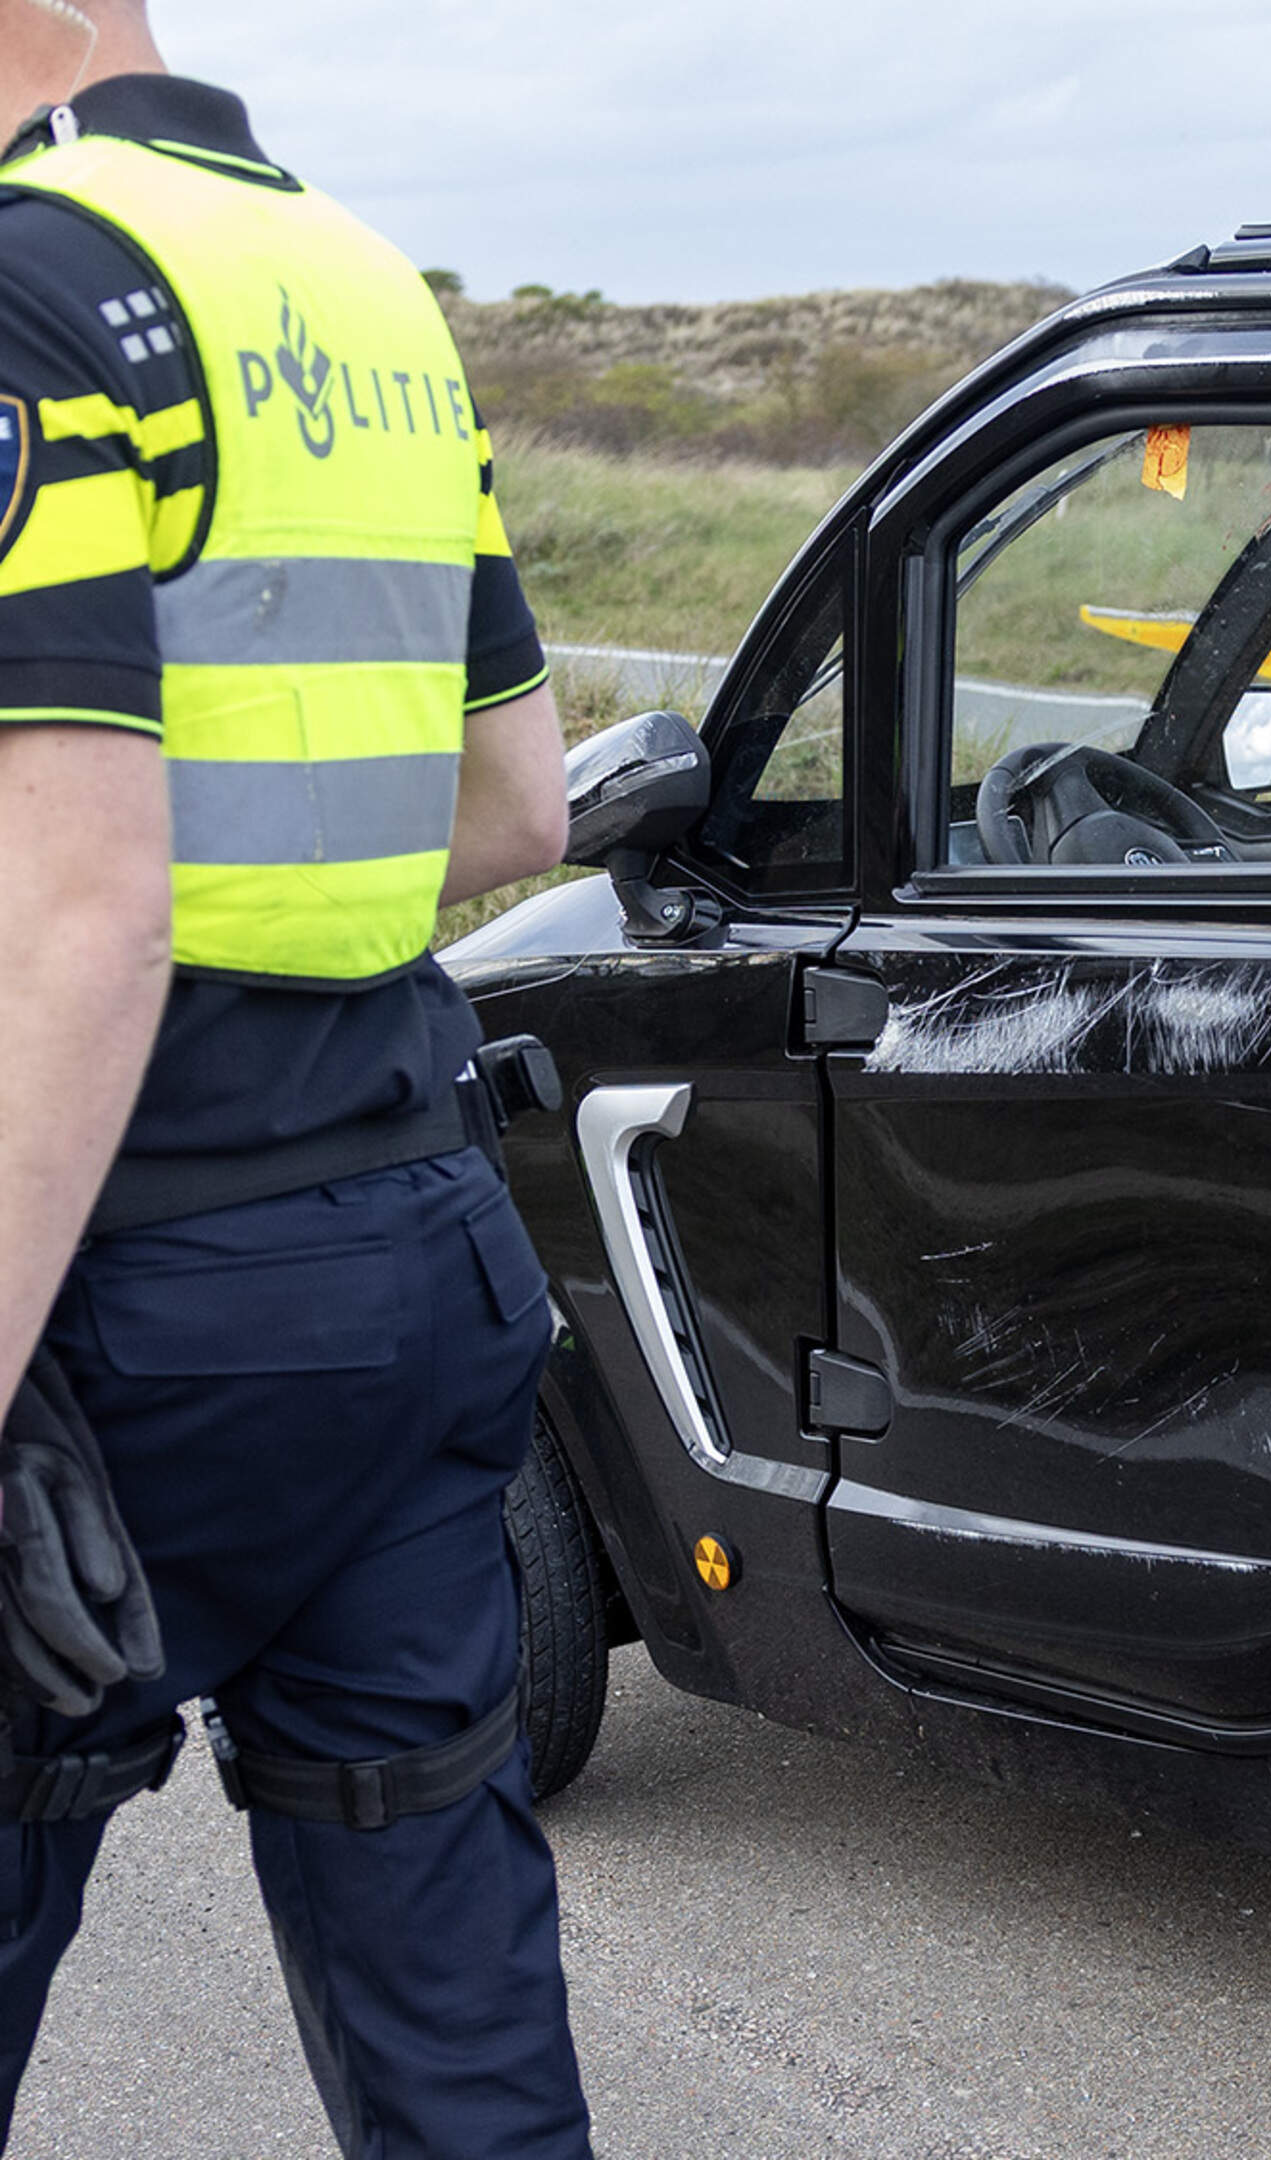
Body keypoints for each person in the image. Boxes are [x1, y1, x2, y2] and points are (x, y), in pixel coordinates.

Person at [0, 2, 595, 2150]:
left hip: (129, 1295)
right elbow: (520, 806)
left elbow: (85, 917)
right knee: (449, 1997)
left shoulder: (31, 280)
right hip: (406, 1249)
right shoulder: (369, 292)